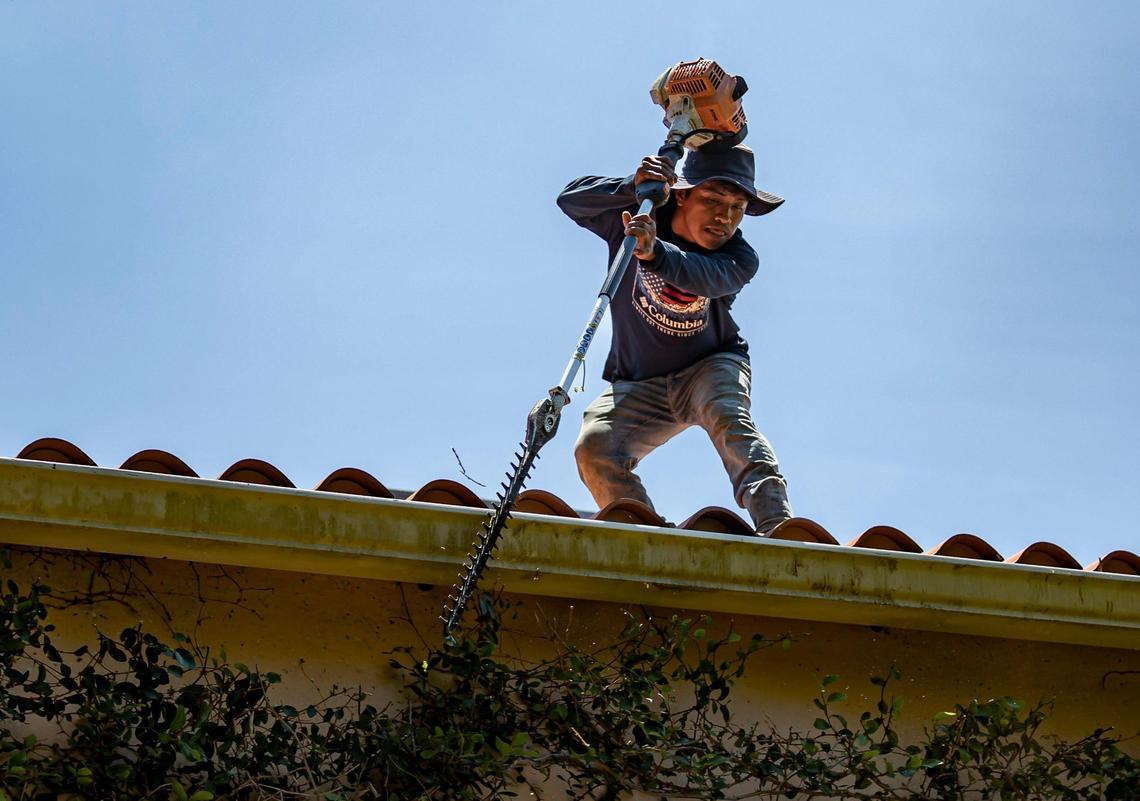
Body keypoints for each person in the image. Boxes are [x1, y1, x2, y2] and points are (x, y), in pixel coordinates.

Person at [556, 144, 793, 534]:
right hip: (640, 382)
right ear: (681, 194)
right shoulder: (636, 216)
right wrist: (632, 187)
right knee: (595, 447)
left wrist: (654, 254)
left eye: (737, 208)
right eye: (714, 200)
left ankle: (778, 528)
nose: (725, 218)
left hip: (710, 367)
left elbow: (703, 275)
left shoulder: (739, 257)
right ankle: (641, 532)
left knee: (728, 417)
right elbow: (571, 200)